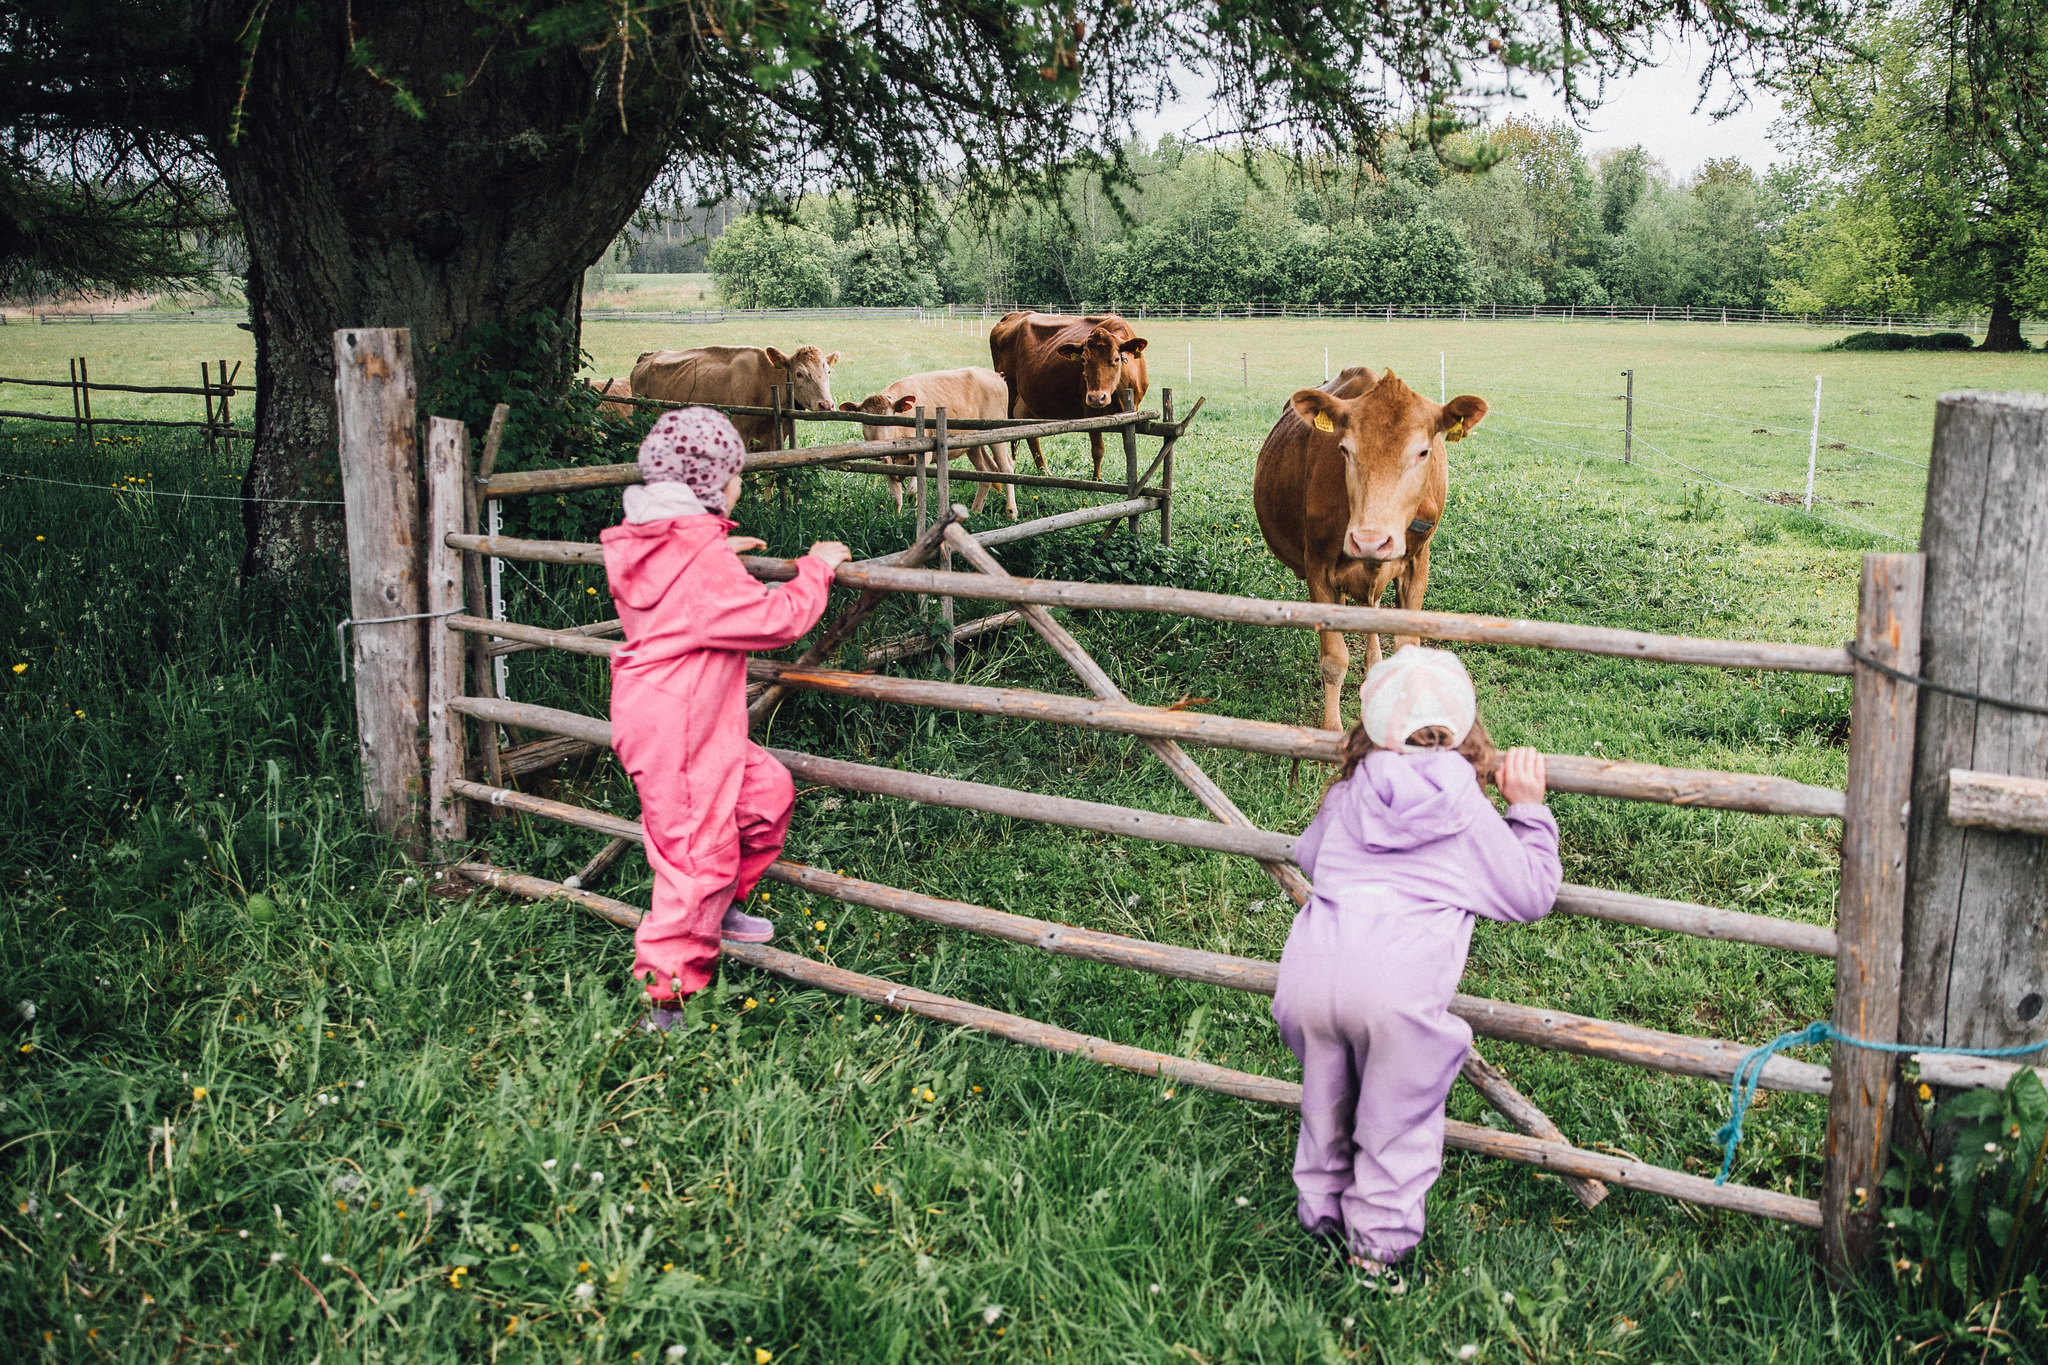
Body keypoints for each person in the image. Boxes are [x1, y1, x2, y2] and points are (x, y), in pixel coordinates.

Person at [1273, 644, 1561, 1277]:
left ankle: (1319, 1218)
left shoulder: (1352, 790)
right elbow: (1531, 894)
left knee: (1326, 1099)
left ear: (1371, 726)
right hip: (1397, 992)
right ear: (1465, 730)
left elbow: (1313, 857)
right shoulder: (1463, 810)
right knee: (1395, 1123)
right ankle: (1375, 1254)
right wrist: (1529, 810)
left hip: (1311, 975)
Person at [600, 407, 850, 1031]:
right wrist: (816, 567)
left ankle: (722, 908)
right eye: (735, 473)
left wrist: (714, 544)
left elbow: (684, 576)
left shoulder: (653, 540)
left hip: (682, 720)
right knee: (694, 860)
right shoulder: (699, 565)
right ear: (712, 483)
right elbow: (777, 621)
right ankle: (664, 1002)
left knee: (766, 795)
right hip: (682, 731)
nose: (740, 482)